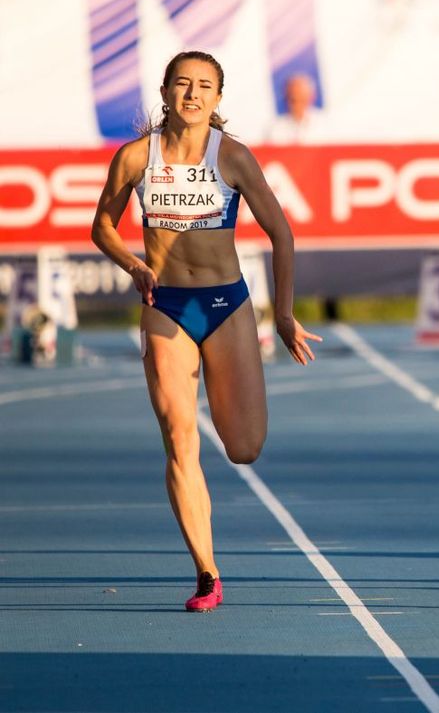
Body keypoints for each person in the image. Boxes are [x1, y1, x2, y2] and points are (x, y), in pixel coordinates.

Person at [91, 50, 322, 611]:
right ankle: (206, 572)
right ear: (166, 91)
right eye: (183, 84)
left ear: (218, 99)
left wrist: (286, 315)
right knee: (178, 436)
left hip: (225, 305)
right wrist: (133, 264)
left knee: (243, 447)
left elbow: (282, 235)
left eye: (204, 87)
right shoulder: (134, 159)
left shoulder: (233, 158)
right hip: (164, 304)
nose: (192, 95)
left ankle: (209, 552)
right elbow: (102, 226)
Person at [264, 73, 326, 144]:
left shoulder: (325, 125)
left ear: (311, 98)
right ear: (286, 98)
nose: (298, 105)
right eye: (293, 100)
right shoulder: (274, 129)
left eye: (302, 99)